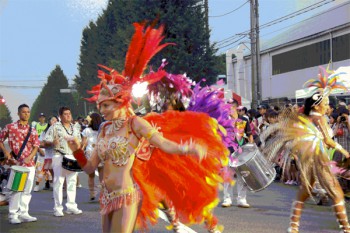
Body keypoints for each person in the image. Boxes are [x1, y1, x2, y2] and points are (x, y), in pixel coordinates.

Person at [66, 22, 227, 233]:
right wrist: (76, 149)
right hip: (106, 199)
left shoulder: (135, 124)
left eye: (105, 105)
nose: (102, 110)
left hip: (126, 197)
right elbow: (89, 168)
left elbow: (163, 144)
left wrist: (187, 148)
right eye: (99, 106)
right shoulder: (104, 129)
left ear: (120, 102)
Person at [260, 68, 350, 233]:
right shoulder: (319, 117)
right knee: (336, 193)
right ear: (319, 104)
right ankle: (346, 228)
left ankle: (293, 226)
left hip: (311, 157)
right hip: (318, 158)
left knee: (305, 191)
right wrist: (344, 152)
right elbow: (328, 140)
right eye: (326, 103)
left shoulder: (309, 117)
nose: (328, 106)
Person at [0, 104, 40, 224]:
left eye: (28, 112)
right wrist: (6, 152)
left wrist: (30, 157)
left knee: (27, 189)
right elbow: (0, 140)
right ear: (18, 113)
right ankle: (13, 214)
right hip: (16, 163)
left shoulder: (32, 130)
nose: (26, 114)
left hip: (30, 164)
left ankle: (24, 213)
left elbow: (36, 146)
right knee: (16, 189)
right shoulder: (10, 127)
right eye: (23, 112)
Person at [43, 107, 82, 217]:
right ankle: (58, 208)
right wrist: (52, 142)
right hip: (59, 155)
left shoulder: (75, 127)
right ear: (60, 116)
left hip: (72, 155)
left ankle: (71, 206)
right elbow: (46, 140)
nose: (68, 116)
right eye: (65, 114)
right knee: (59, 182)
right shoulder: (55, 127)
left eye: (69, 113)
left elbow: (78, 141)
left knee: (71, 182)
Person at [222, 99, 254, 208]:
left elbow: (250, 135)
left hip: (241, 152)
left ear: (235, 108)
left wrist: (251, 146)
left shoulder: (243, 121)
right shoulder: (224, 122)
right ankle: (227, 199)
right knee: (228, 176)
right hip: (228, 152)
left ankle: (242, 199)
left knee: (242, 176)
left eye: (229, 108)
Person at [81, 113, 103, 201]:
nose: (88, 120)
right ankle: (99, 194)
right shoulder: (101, 130)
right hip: (98, 152)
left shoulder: (88, 130)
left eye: (89, 119)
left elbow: (84, 142)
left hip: (91, 153)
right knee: (101, 175)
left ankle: (92, 193)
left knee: (92, 175)